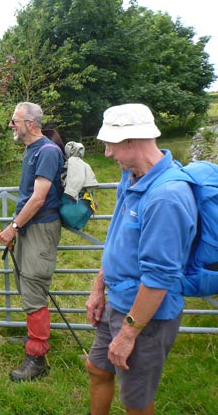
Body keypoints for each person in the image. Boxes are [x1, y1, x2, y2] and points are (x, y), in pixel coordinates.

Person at [85, 103, 198, 414]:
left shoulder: (167, 197)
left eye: (109, 144)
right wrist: (99, 288)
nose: (107, 152)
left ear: (131, 141)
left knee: (135, 401)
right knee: (97, 369)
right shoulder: (132, 176)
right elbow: (116, 236)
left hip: (145, 317)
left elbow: (159, 277)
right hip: (117, 301)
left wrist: (127, 335)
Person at [0, 102, 65, 381]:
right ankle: (33, 338)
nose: (11, 125)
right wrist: (17, 226)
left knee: (34, 283)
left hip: (40, 227)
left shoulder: (47, 151)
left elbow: (39, 198)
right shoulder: (31, 150)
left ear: (31, 124)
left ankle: (37, 357)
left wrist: (13, 227)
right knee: (25, 280)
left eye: (15, 120)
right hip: (29, 226)